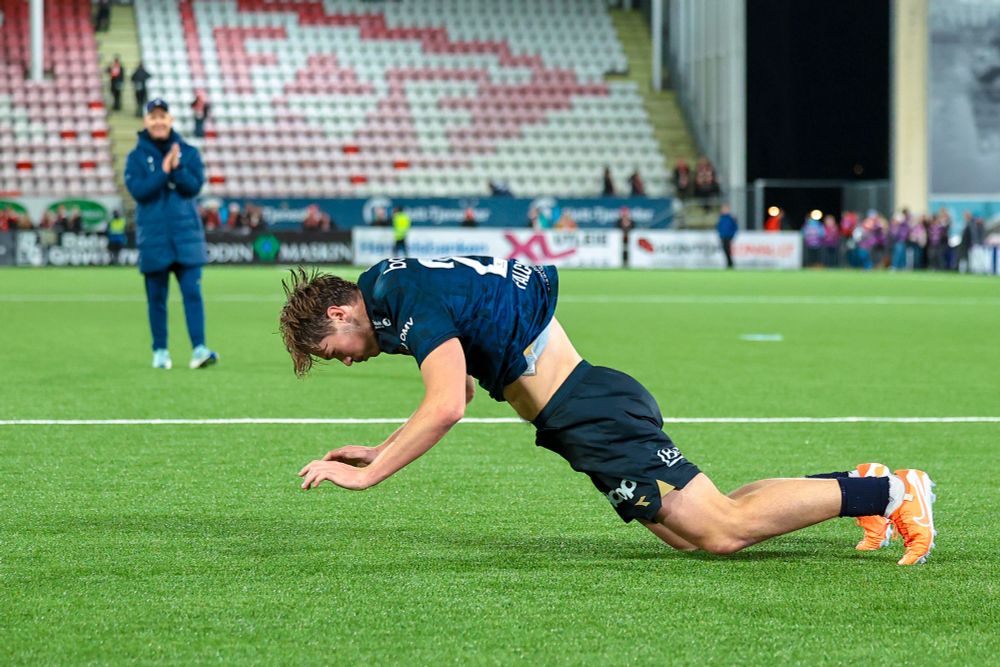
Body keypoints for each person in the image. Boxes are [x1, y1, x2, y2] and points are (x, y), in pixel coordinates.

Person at [280, 258, 938, 566]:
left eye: (330, 349)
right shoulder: (396, 292)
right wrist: (381, 444)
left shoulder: (402, 292)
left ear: (340, 313)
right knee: (697, 531)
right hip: (576, 418)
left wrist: (371, 473)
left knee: (722, 529)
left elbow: (448, 402)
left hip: (590, 408)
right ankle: (862, 486)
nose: (341, 360)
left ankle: (894, 491)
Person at [124, 98, 219, 371]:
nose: (158, 121)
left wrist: (176, 168)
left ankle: (199, 349)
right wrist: (163, 171)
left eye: (162, 116)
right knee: (156, 299)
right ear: (146, 121)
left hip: (186, 237)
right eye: (152, 116)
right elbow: (139, 192)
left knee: (192, 293)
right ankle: (160, 352)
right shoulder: (135, 157)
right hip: (154, 238)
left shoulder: (188, 152)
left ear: (170, 120)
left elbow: (193, 187)